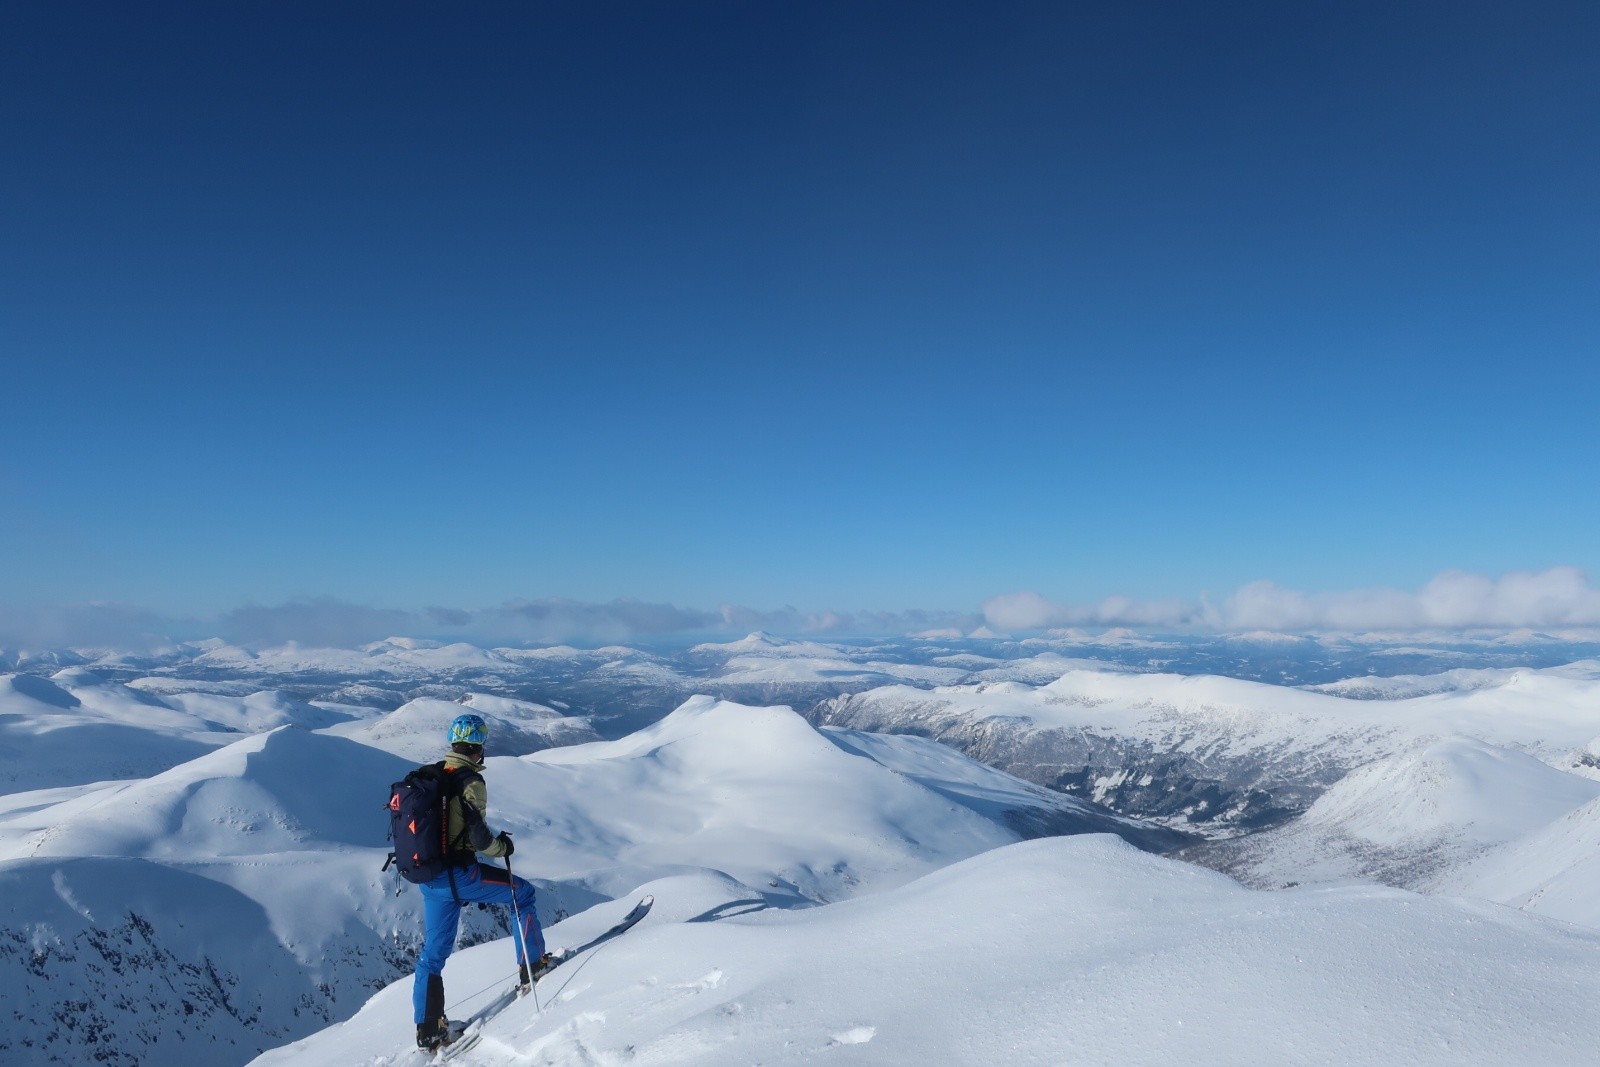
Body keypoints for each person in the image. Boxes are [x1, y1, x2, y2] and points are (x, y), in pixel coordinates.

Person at [413, 713, 552, 1050]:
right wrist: (502, 846)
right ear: (478, 747)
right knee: (523, 893)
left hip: (430, 878)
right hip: (460, 875)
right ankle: (533, 967)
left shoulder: (432, 775)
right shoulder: (470, 782)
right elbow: (478, 837)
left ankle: (429, 1030)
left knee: (432, 956)